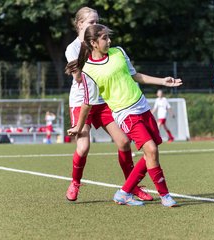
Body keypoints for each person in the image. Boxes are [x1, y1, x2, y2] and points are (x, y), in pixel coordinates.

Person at [66, 24, 182, 206]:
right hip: (124, 113)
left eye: (108, 37)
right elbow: (87, 102)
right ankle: (165, 196)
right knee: (150, 150)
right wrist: (78, 127)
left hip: (142, 106)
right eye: (104, 38)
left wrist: (162, 82)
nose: (109, 41)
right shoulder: (88, 70)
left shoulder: (118, 52)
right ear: (93, 43)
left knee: (151, 153)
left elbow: (135, 76)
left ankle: (124, 192)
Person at [64, 7, 152, 202]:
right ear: (79, 25)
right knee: (83, 146)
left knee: (123, 142)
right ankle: (75, 182)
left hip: (103, 102)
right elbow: (79, 79)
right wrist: (79, 69)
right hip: (82, 102)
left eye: (97, 21)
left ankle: (132, 187)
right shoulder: (73, 48)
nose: (95, 25)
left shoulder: (104, 45)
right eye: (90, 22)